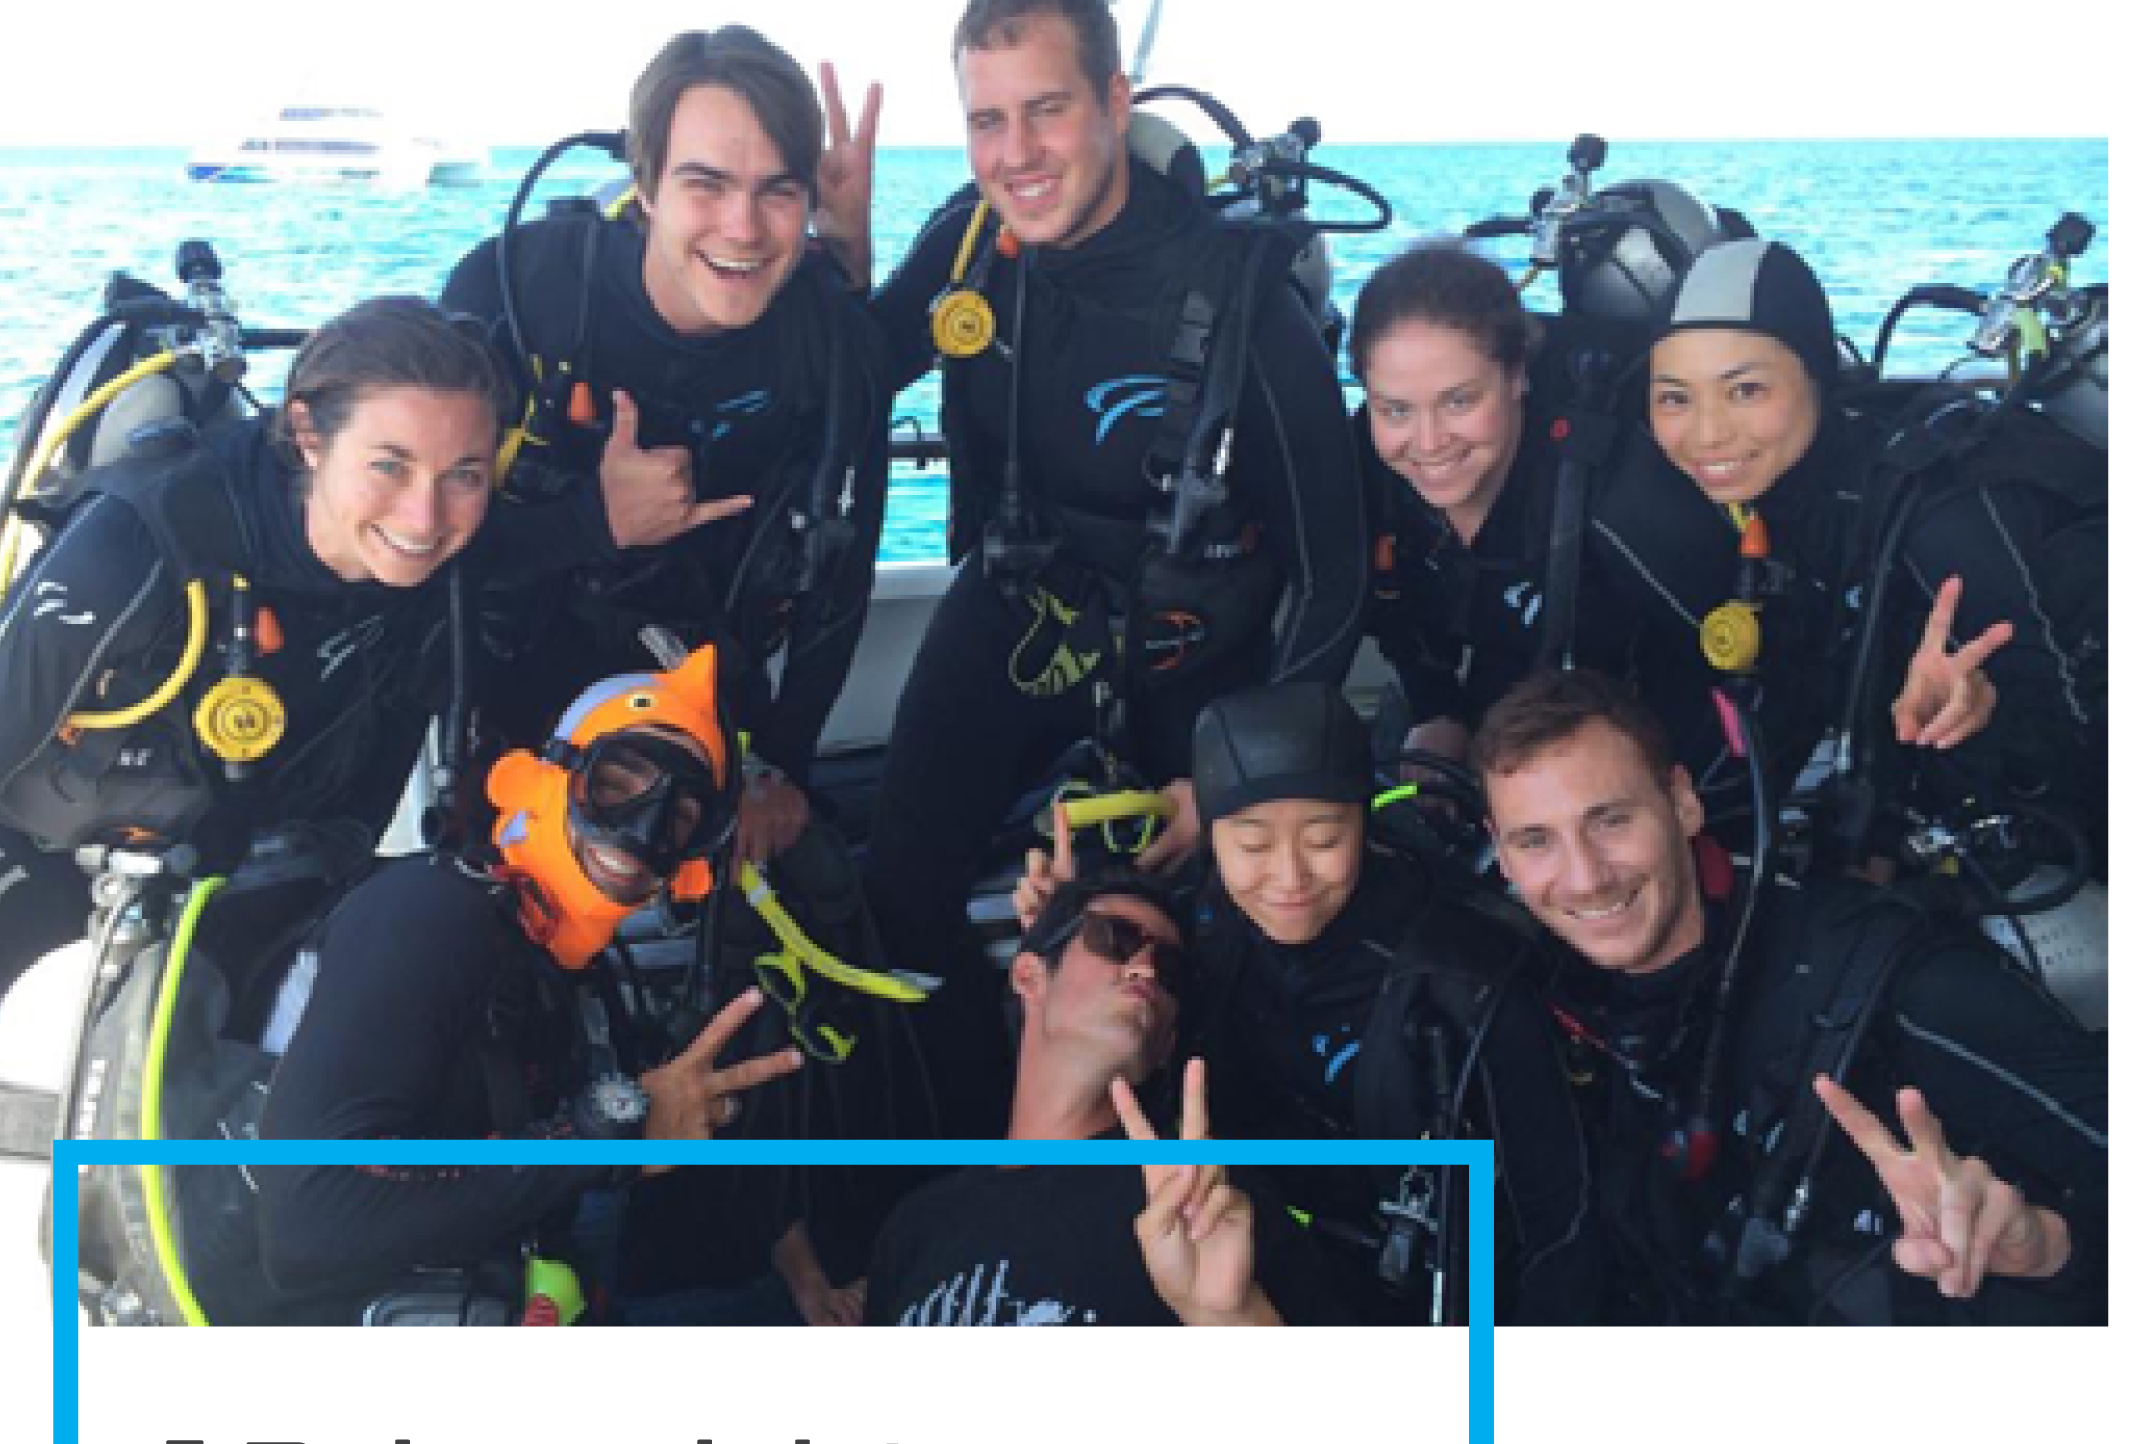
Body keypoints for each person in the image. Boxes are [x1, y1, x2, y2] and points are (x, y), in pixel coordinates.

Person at [854, 0, 1365, 1124]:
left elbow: (1333, 574)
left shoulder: (1241, 304)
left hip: (1191, 651)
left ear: (1115, 103)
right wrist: (833, 258)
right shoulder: (970, 247)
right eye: (987, 121)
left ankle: (1174, 1192)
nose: (1016, 155)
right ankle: (973, 1178)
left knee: (1204, 935)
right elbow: (846, 373)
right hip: (1017, 608)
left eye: (1046, 110)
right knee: (896, 892)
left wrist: (1232, 781)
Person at [1472, 667, 2106, 1324]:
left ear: (1683, 804)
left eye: (1610, 820)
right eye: (1535, 840)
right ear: (1502, 855)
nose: (1583, 877)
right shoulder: (1529, 1005)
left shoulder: (1897, 986)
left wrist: (2050, 1250)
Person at [0, 295, 510, 1002]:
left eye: (464, 474)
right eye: (389, 466)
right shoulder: (139, 541)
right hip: (67, 874)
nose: (424, 517)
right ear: (308, 434)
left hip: (269, 874)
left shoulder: (444, 569)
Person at [1015, 678, 1600, 1322]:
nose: (1289, 878)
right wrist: (1062, 923)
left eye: (1323, 840)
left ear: (1365, 825)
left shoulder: (1466, 978)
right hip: (1242, 1269)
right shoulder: (1202, 928)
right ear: (1211, 838)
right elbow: (1112, 980)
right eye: (1253, 846)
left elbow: (1559, 1222)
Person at [442, 27, 891, 864]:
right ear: (645, 186)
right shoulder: (525, 293)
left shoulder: (831, 343)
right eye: (704, 184)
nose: (742, 227)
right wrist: (593, 522)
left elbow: (840, 581)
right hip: (518, 710)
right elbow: (419, 547)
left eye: (777, 191)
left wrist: (780, 765)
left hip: (713, 713)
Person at [256, 641, 806, 1320]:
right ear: (544, 778)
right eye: (615, 787)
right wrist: (612, 1135)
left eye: (678, 817)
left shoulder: (558, 959)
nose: (640, 834)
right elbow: (305, 1226)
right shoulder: (429, 914)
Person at [1597, 238, 2102, 850]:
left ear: (1817, 377)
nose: (1706, 434)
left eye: (1746, 390)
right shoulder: (1775, 493)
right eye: (1675, 398)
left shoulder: (1936, 510)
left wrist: (1988, 712)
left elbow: (2078, 752)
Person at [864, 872, 1315, 1326]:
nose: (1146, 968)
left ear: (1166, 1044)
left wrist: (1234, 1317)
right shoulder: (914, 1229)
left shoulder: (1206, 1198)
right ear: (1029, 975)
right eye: (1114, 938)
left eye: (1171, 970)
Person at [1352, 240, 1685, 771]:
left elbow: (1722, 670)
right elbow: (1397, 618)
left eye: (1459, 401)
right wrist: (1438, 714)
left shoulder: (1606, 482)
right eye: (1395, 410)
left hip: (1634, 738)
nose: (1429, 442)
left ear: (1516, 376)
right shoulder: (1369, 477)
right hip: (1492, 699)